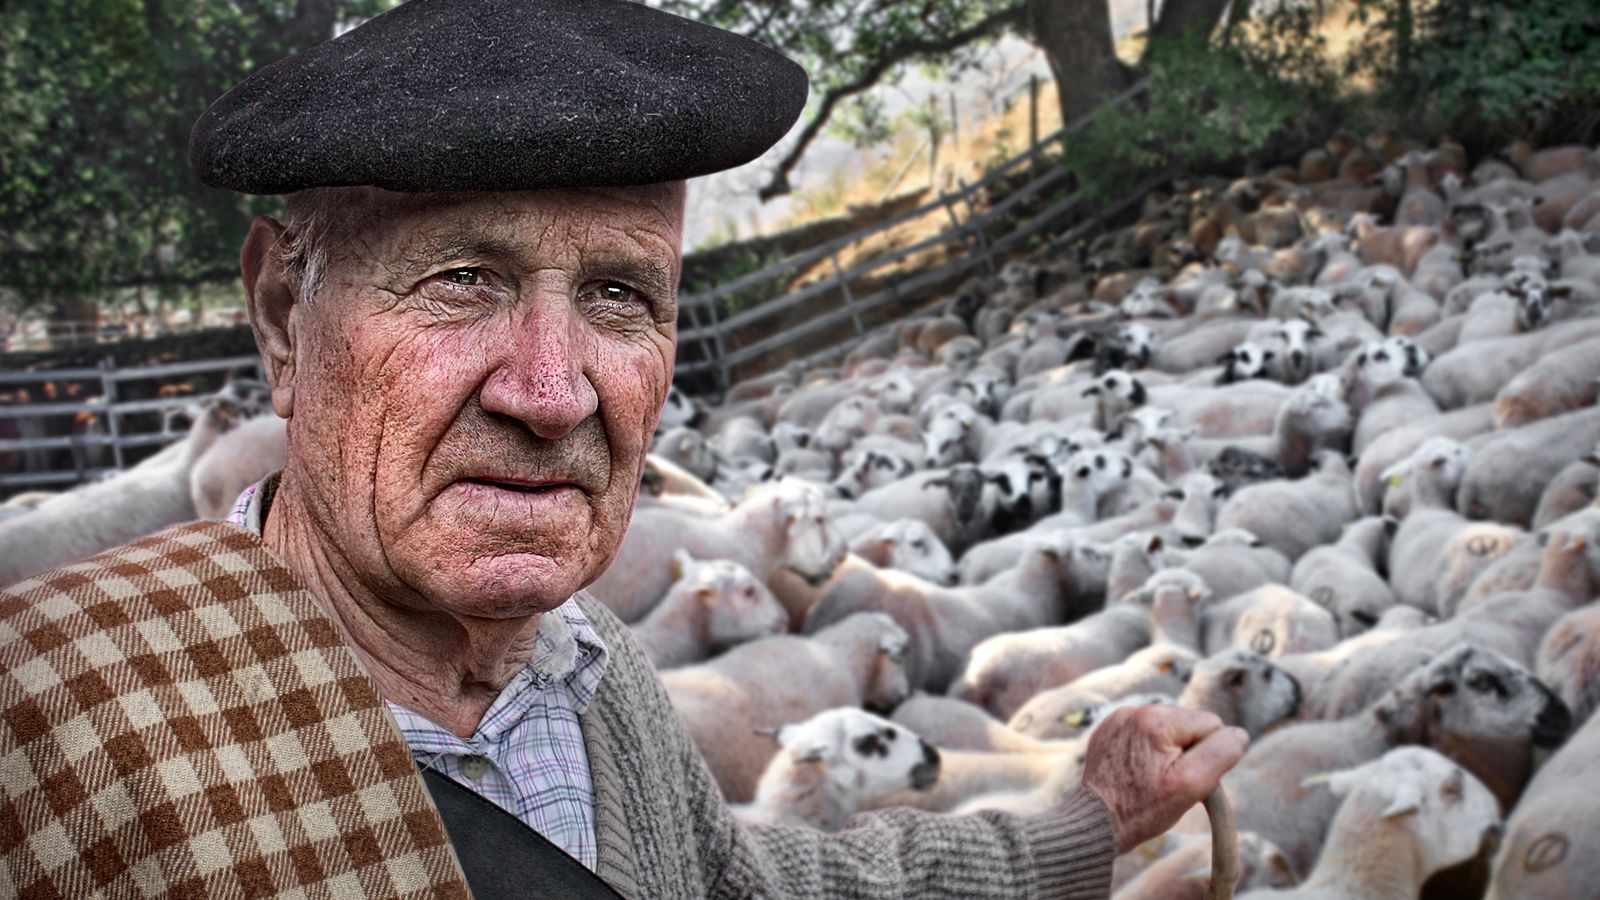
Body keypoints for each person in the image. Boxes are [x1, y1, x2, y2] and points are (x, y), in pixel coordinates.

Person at [0, 0, 1248, 896]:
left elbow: (725, 884)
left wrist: (1090, 817)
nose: (552, 394)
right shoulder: (51, 722)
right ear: (283, 314)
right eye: (458, 279)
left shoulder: (588, 670)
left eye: (617, 297)